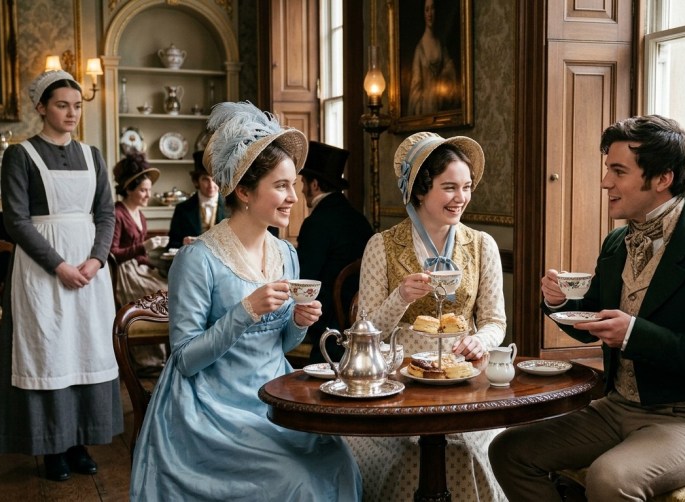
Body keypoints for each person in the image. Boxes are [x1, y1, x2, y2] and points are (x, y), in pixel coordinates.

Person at [489, 115, 685, 501]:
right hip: (615, 406)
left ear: (662, 178)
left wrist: (637, 335)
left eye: (618, 171)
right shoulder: (617, 242)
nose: (606, 182)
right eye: (608, 170)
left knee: (611, 478)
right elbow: (595, 318)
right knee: (509, 450)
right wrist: (559, 303)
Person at [129, 101, 362, 501]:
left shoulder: (285, 253)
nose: (294, 197)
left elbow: (282, 344)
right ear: (243, 191)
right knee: (298, 481)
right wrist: (246, 310)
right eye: (281, 186)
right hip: (211, 409)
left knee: (339, 461)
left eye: (294, 184)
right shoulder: (197, 259)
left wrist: (300, 321)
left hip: (276, 397)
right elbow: (185, 359)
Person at [345, 131, 508, 501]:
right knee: (408, 457)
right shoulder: (382, 245)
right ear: (420, 190)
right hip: (400, 380)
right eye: (449, 187)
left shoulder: (482, 245)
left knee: (467, 451)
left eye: (466, 187)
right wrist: (400, 296)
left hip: (465, 381)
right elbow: (364, 332)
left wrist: (479, 340)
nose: (461, 198)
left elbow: (495, 322)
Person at [0, 70, 121, 482]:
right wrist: (59, 266)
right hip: (42, 270)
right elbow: (16, 220)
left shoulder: (93, 155)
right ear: (41, 108)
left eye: (78, 106)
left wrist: (96, 260)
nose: (71, 113)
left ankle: (80, 441)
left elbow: (105, 214)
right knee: (49, 352)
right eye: (62, 105)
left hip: (88, 269)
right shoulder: (20, 155)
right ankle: (52, 448)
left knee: (84, 350)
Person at [297, 141, 374, 364]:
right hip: (361, 319)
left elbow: (305, 281)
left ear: (314, 184)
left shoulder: (316, 223)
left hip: (329, 329)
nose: (301, 190)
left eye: (303, 182)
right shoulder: (358, 219)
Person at [110, 152, 168, 307]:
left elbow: (140, 256)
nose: (148, 195)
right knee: (164, 295)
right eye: (143, 190)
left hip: (140, 269)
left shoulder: (140, 215)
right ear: (129, 190)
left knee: (173, 288)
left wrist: (154, 266)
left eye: (149, 190)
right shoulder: (117, 214)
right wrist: (144, 246)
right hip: (125, 275)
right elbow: (113, 255)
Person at [167, 150, 228, 250]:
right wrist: (183, 242)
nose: (211, 185)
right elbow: (172, 244)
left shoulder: (232, 207)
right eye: (205, 179)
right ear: (196, 181)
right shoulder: (182, 209)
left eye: (214, 179)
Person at [407, 0, 459, 115]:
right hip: (426, 106)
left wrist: (443, 78)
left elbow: (450, 70)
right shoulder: (419, 49)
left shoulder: (440, 45)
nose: (430, 13)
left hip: (440, 105)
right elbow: (415, 87)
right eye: (427, 10)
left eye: (432, 8)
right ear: (423, 14)